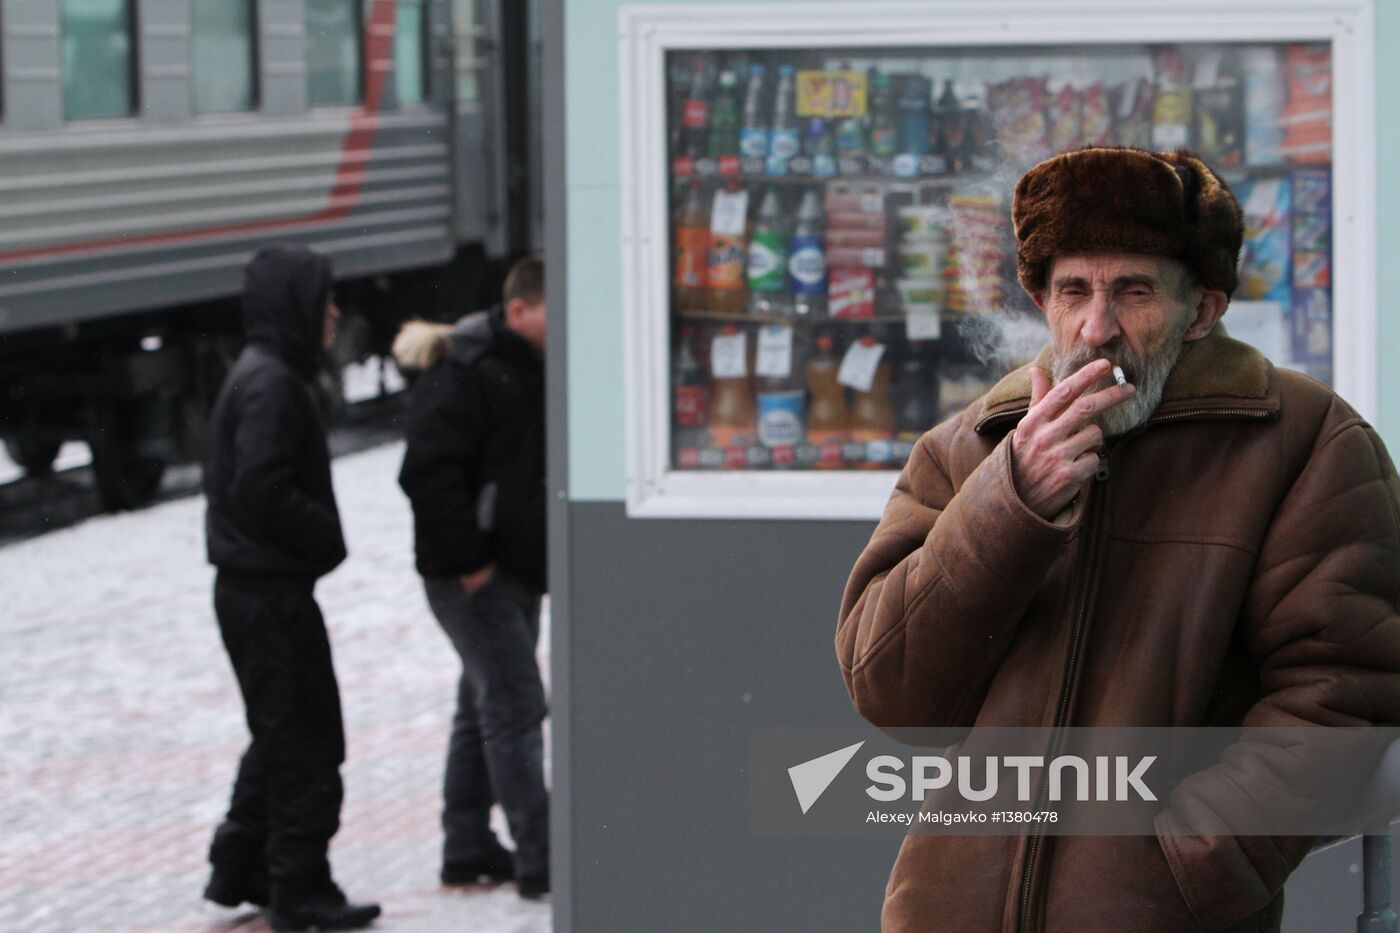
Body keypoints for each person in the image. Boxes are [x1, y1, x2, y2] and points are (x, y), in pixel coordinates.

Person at [836, 148, 1400, 932]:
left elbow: (1348, 696)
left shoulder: (1307, 442)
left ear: (1200, 310)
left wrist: (1188, 865)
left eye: (1133, 292)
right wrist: (1011, 502)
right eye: (1073, 290)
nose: (1096, 328)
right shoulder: (970, 447)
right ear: (1042, 299)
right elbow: (889, 688)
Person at [202, 244, 381, 931]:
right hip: (267, 592)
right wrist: (325, 535)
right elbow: (262, 485)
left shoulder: (263, 374)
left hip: (255, 589)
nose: (334, 312)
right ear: (296, 303)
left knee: (280, 732)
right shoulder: (273, 383)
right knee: (305, 738)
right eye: (325, 297)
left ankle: (244, 864)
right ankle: (299, 887)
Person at [396, 255, 549, 899]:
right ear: (518, 310)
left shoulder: (527, 364)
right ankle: (545, 855)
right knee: (515, 704)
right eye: (554, 312)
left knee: (480, 703)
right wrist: (472, 565)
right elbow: (424, 474)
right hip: (477, 576)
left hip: (510, 567)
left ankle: (465, 843)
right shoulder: (469, 371)